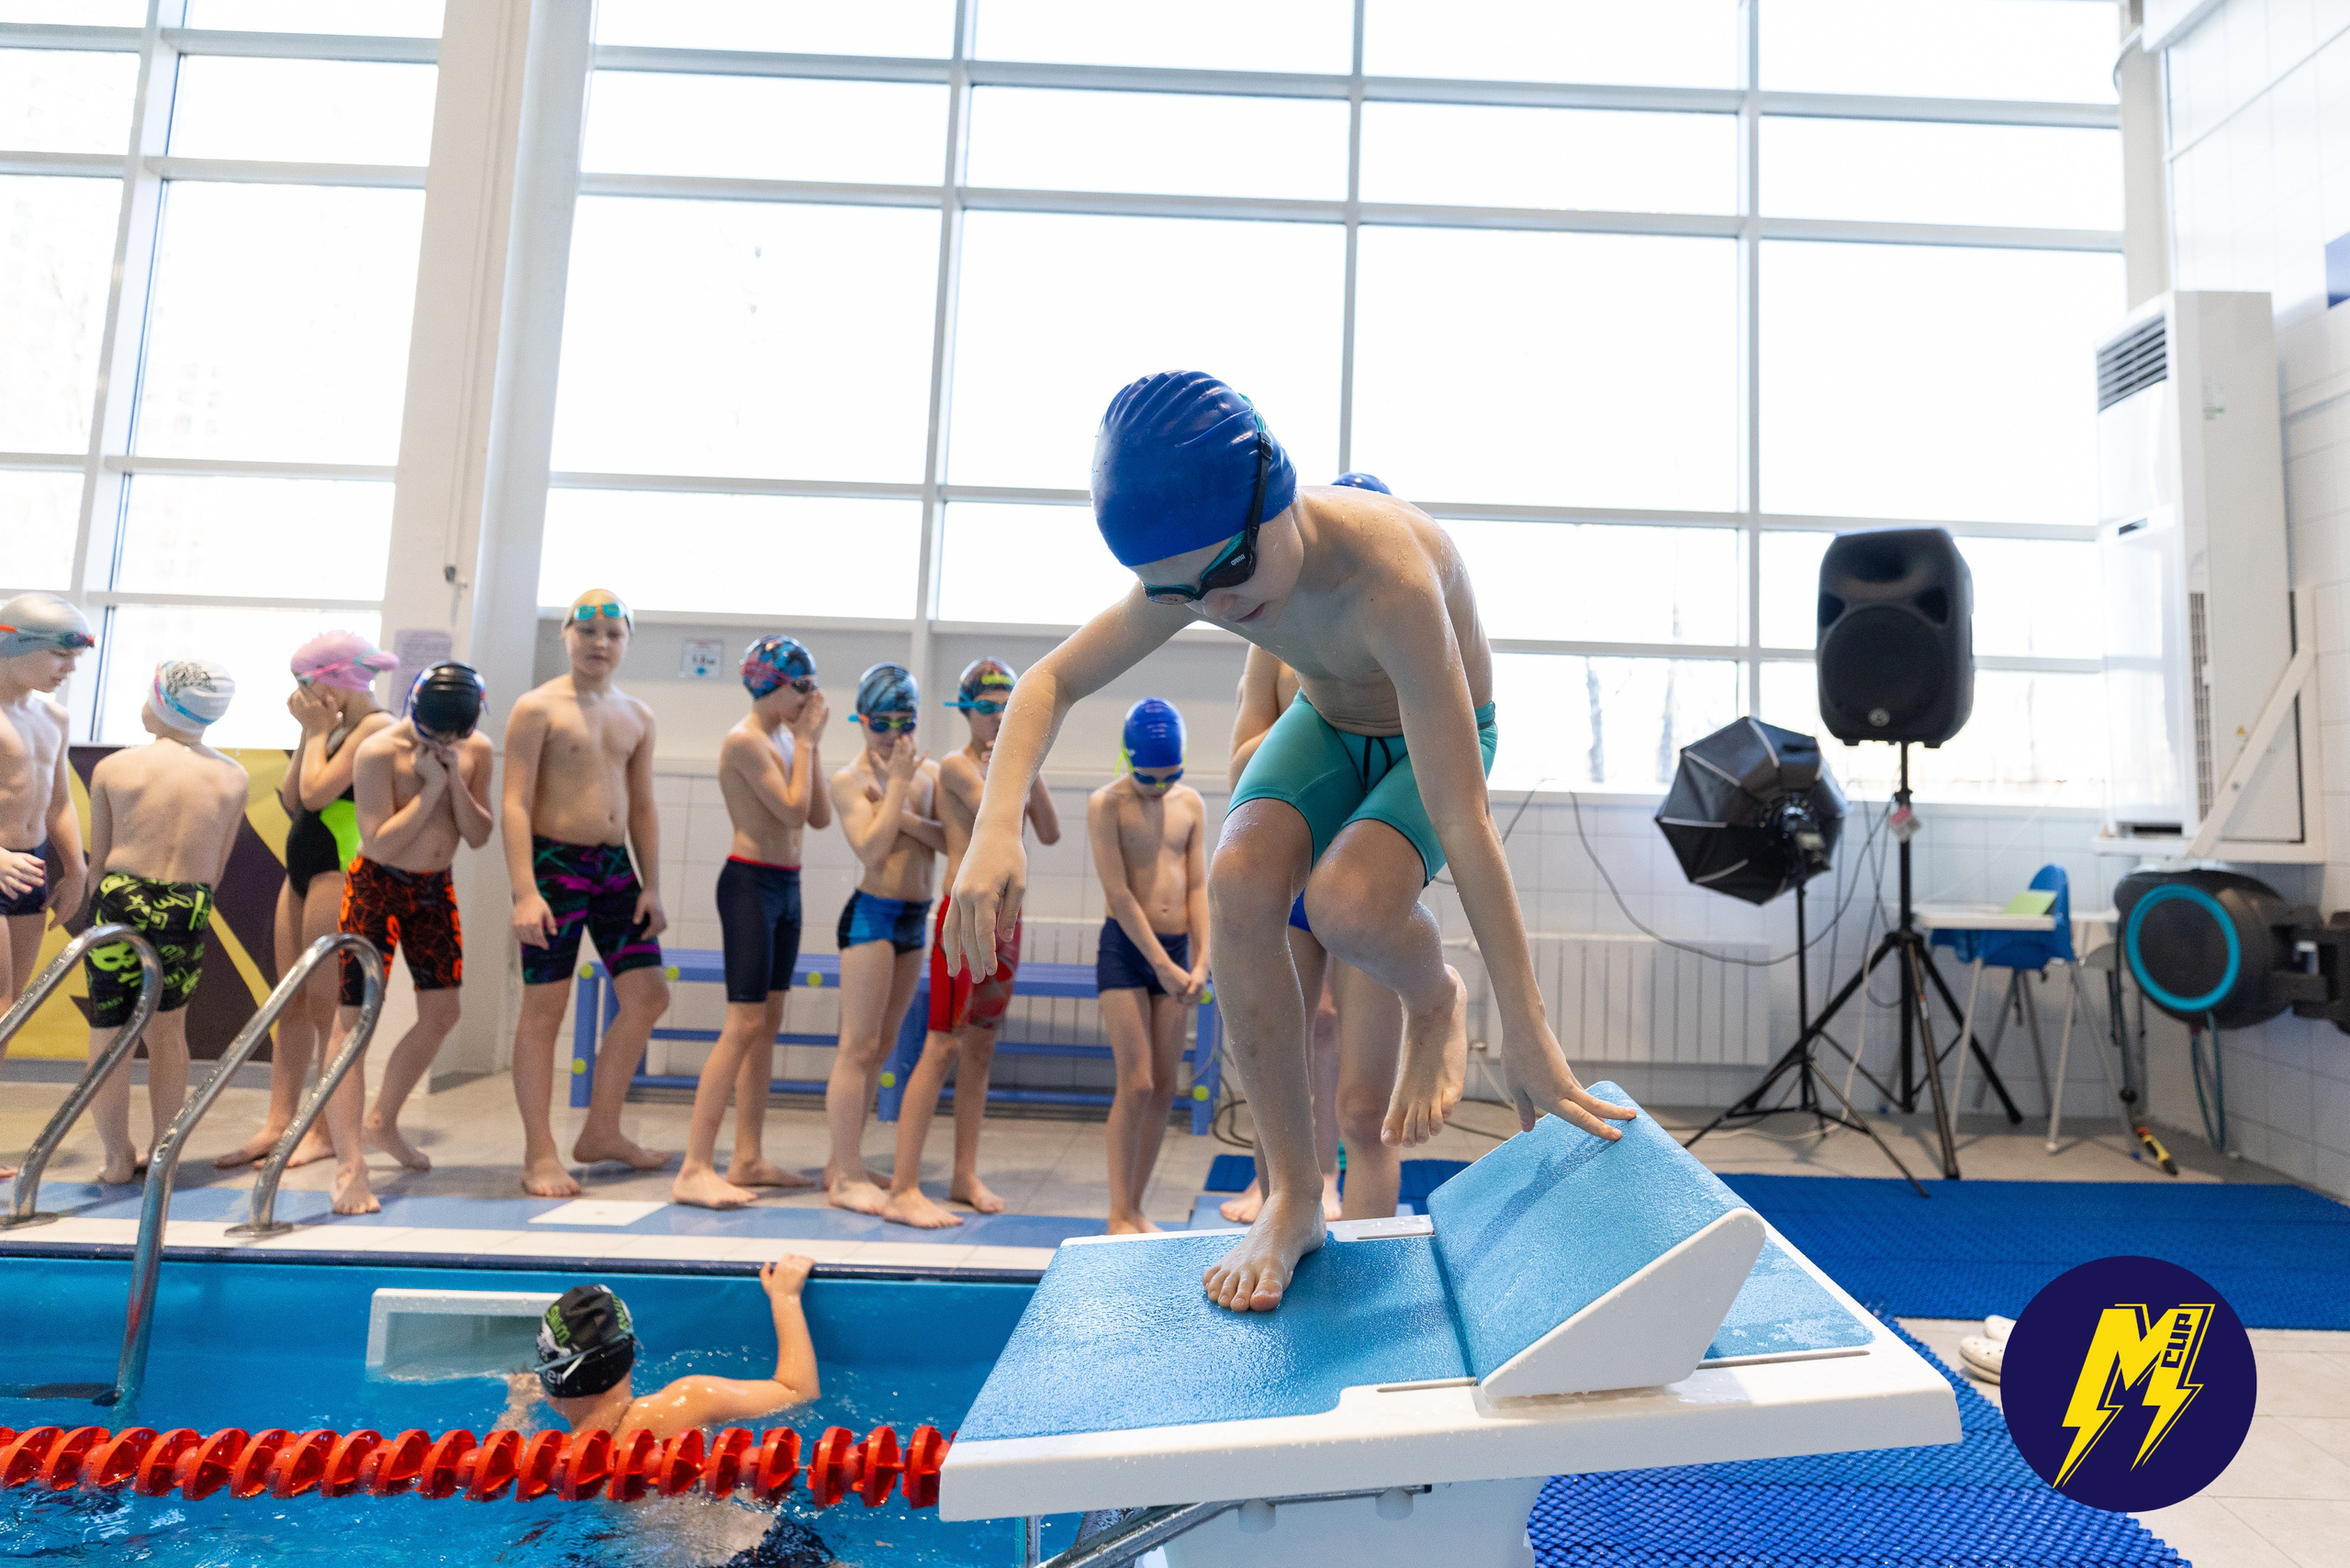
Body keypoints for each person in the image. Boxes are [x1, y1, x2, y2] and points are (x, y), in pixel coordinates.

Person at [942, 371, 1633, 1313]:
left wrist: (1529, 1026)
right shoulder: (1209, 562)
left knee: (1350, 904)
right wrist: (994, 830)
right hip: (1328, 721)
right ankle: (1297, 1196)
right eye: (1178, 592)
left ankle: (1438, 995)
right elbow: (1047, 683)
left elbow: (1465, 819)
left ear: (1277, 494)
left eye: (1226, 576)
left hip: (1436, 732)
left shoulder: (1389, 579)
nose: (1214, 607)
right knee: (1236, 883)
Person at [502, 589, 671, 1198]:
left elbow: (644, 806)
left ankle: (601, 1131)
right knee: (544, 1011)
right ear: (566, 634)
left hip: (614, 869)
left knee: (649, 995)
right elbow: (515, 803)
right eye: (589, 631)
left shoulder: (638, 715)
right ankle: (539, 1152)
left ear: (627, 641)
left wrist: (652, 885)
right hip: (554, 865)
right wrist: (525, 891)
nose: (601, 643)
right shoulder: (537, 708)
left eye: (614, 633)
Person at [882, 658, 1061, 1229]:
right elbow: (993, 809)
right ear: (966, 712)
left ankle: (964, 1173)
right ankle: (903, 1187)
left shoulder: (1011, 768)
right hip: (963, 920)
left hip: (1007, 924)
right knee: (942, 1046)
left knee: (980, 1049)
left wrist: (1029, 760)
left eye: (1007, 710)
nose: (998, 719)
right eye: (987, 709)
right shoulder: (956, 767)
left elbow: (1050, 830)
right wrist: (1018, 765)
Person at [319, 662, 495, 1215]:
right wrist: (430, 791)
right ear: (413, 712)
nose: (443, 744)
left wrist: (456, 781)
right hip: (375, 890)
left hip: (433, 891)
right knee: (354, 1025)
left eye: (454, 736)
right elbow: (377, 844)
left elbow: (480, 834)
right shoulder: (378, 751)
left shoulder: (478, 750)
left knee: (443, 1014)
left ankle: (383, 1122)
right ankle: (350, 1164)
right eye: (433, 732)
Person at [217, 631, 397, 1170]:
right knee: (289, 1003)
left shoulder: (377, 729)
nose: (298, 696)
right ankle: (279, 1121)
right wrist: (310, 733)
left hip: (340, 876)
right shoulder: (333, 730)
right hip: (301, 874)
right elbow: (296, 798)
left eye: (304, 686)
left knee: (326, 1009)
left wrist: (316, 732)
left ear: (336, 683)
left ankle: (322, 1128)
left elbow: (320, 794)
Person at [674, 635, 833, 1210]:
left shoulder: (788, 740)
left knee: (766, 1024)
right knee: (742, 1024)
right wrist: (807, 744)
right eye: (802, 687)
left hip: (785, 885)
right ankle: (694, 1167)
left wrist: (810, 744)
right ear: (769, 685)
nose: (810, 697)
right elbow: (790, 808)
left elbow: (817, 816)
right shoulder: (744, 741)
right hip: (748, 884)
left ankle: (747, 1156)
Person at [80, 659, 247, 1184]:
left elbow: (99, 858)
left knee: (109, 1032)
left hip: (120, 896)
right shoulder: (232, 776)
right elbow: (216, 868)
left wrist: (98, 910)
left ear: (160, 702)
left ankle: (114, 1156)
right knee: (169, 1034)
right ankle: (164, 1153)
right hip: (188, 903)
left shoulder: (114, 767)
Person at [822, 662, 942, 1215]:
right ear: (861, 722)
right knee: (858, 1044)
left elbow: (948, 841)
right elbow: (870, 849)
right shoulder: (847, 780)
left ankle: (843, 1160)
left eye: (904, 721)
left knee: (883, 1047)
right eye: (881, 723)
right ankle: (845, 1176)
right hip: (871, 916)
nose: (894, 735)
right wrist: (896, 788)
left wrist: (902, 806)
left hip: (915, 917)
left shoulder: (932, 775)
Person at [1089, 698, 1211, 1234]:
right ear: (1127, 759)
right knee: (1135, 1084)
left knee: (1165, 1087)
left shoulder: (1191, 805)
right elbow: (1117, 893)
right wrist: (1161, 965)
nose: (1159, 786)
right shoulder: (1106, 804)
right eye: (1147, 776)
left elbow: (1199, 885)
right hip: (1127, 950)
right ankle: (1118, 1211)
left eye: (1170, 776)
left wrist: (1204, 959)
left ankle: (1137, 1208)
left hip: (1180, 955)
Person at [496, 1258, 820, 1443]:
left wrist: (518, 1407)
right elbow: (798, 1391)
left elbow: (497, 1458)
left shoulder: (554, 1459)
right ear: (632, 1356)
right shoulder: (688, 1403)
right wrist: (786, 1297)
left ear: (553, 1383)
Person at [0, 594, 92, 1177]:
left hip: (29, 867)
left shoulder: (50, 717)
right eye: (60, 655)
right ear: (15, 644)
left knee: (8, 1014)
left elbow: (58, 801)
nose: (70, 668)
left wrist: (76, 868)